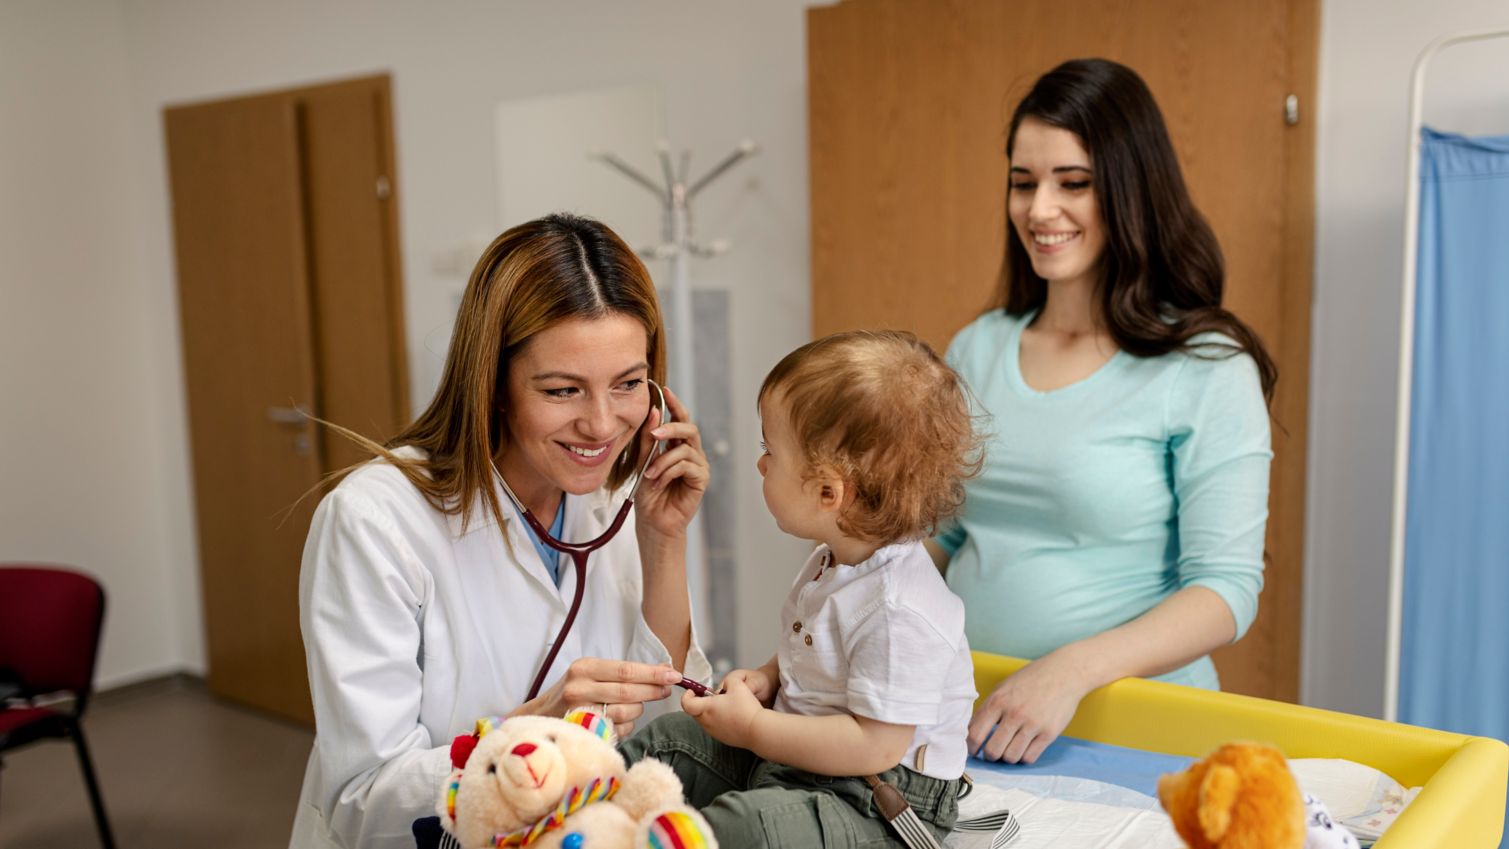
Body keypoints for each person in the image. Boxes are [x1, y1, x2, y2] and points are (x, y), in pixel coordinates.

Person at [288, 213, 713, 849]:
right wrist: (533, 731)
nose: (601, 426)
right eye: (564, 390)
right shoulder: (375, 521)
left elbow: (663, 735)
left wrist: (664, 544)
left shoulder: (625, 503)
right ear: (493, 386)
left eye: (627, 384)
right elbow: (361, 800)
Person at [930, 57, 1277, 766]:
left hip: (1131, 726)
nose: (1039, 209)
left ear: (1130, 189)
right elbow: (938, 533)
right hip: (970, 710)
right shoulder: (978, 347)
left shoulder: (1205, 365)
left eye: (1073, 183)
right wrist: (825, 627)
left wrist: (1070, 670)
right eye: (1022, 182)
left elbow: (1224, 588)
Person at [619, 330, 983, 849]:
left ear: (828, 492)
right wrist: (769, 678)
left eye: (771, 450)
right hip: (800, 759)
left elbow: (874, 745)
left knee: (744, 828)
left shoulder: (901, 611)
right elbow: (822, 653)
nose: (762, 463)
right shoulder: (834, 561)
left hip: (877, 798)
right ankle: (579, 813)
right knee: (667, 743)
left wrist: (753, 731)